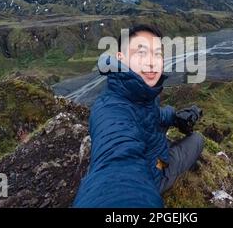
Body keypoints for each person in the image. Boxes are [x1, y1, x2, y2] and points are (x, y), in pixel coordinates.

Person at [73, 24, 204, 208]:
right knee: (197, 139)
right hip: (154, 173)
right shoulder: (110, 110)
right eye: (141, 52)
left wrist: (176, 116)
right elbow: (117, 167)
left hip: (154, 153)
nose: (151, 62)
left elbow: (153, 115)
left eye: (158, 53)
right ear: (120, 57)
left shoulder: (141, 93)